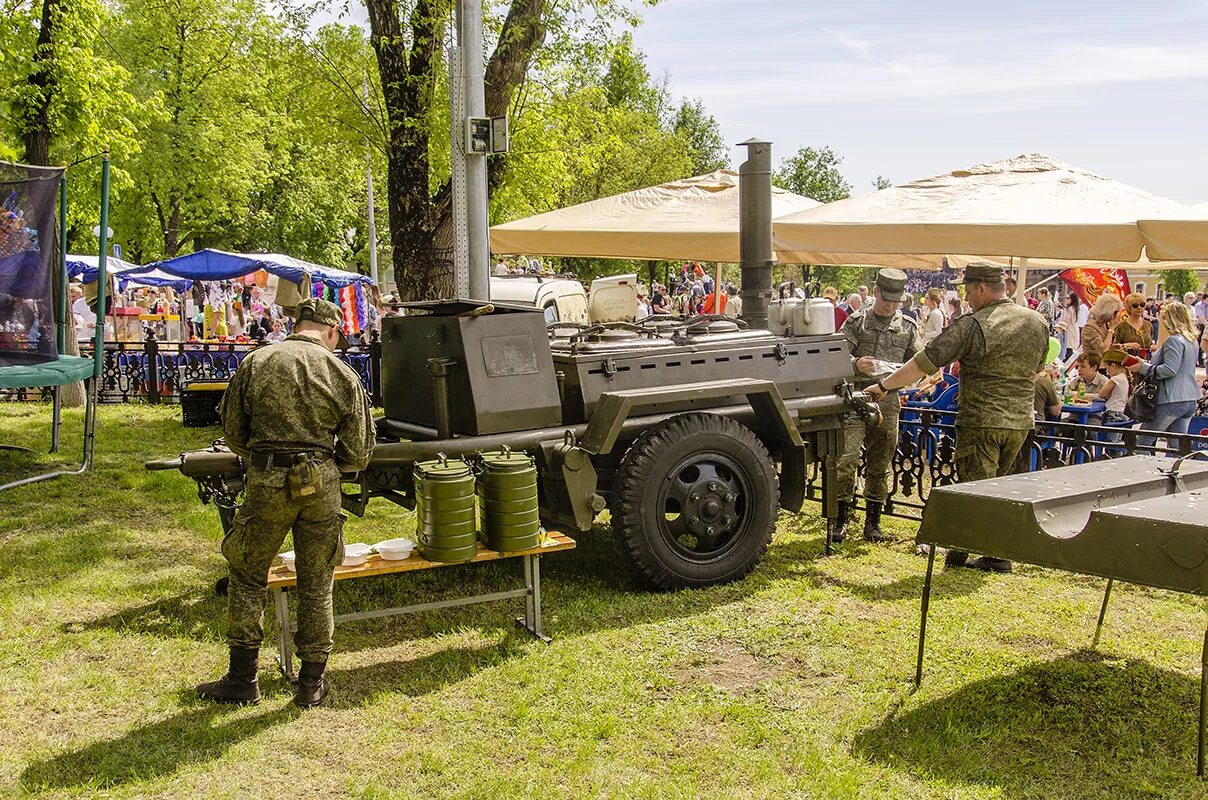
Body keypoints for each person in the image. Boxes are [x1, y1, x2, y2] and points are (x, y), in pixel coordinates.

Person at [201, 298, 375, 708]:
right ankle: (311, 684)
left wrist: (261, 457)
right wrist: (328, 462)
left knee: (248, 572)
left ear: (296, 325)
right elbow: (359, 451)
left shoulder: (257, 362)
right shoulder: (341, 372)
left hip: (266, 479)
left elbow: (233, 431)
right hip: (320, 481)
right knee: (317, 581)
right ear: (331, 332)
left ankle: (243, 678)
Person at [867, 263, 1048, 573]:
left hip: (982, 420)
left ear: (981, 288)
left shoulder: (973, 325)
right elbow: (1039, 368)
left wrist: (884, 386)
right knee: (1002, 489)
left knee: (972, 490)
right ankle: (996, 552)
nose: (967, 298)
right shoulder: (1036, 321)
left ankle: (963, 553)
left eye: (968, 291)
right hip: (1020, 421)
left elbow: (923, 363)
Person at [834, 268, 920, 544]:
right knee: (846, 461)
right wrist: (855, 364)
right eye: (887, 300)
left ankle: (873, 522)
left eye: (896, 302)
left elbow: (918, 363)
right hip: (856, 400)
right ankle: (841, 519)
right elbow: (834, 356)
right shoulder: (856, 322)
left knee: (880, 463)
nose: (891, 306)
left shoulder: (907, 327)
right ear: (875, 293)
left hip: (888, 403)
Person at [1126, 301, 1201, 447]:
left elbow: (1170, 370)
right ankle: (1174, 469)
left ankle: (1138, 469)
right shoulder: (1191, 340)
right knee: (1176, 447)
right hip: (1189, 398)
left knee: (1143, 442)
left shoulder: (1173, 340)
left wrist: (1143, 367)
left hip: (1171, 399)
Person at [1080, 292, 1121, 360]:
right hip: (1093, 366)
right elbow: (1103, 349)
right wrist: (1111, 329)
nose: (1116, 316)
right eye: (1115, 312)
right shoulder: (1090, 327)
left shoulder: (1105, 324)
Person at [1098, 349, 1131, 424]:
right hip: (1120, 412)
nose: (1106, 371)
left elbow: (1101, 394)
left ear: (1113, 366)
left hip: (1112, 413)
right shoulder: (1124, 377)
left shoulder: (1115, 379)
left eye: (1106, 368)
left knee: (1109, 435)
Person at [1056, 294, 1081, 360]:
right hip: (1074, 330)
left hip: (1068, 330)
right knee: (1070, 349)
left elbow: (1065, 321)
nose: (1066, 300)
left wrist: (1059, 328)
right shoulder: (1075, 308)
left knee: (1066, 349)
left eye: (1067, 298)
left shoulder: (1069, 309)